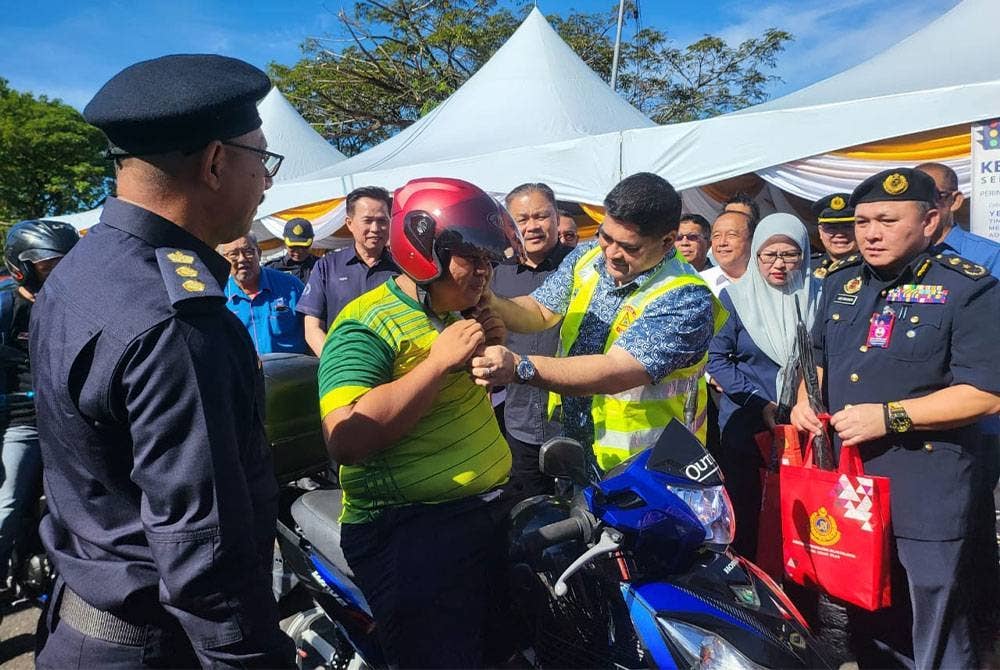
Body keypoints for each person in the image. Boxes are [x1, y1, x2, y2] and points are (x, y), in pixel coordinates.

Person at [30, 54, 294, 668]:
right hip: (154, 647)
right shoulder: (178, 321)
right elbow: (204, 551)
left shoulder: (78, 274)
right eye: (263, 159)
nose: (267, 181)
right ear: (216, 162)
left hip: (82, 628)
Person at [790, 167, 1000, 669]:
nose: (870, 233)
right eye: (862, 222)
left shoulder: (969, 289)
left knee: (936, 620)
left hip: (926, 484)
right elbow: (817, 357)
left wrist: (891, 417)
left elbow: (986, 395)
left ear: (930, 220)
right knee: (867, 613)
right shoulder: (840, 283)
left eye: (886, 220)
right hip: (854, 481)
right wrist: (804, 399)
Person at [318, 177, 520, 667]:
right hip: (410, 530)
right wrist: (435, 364)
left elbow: (455, 405)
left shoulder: (456, 313)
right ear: (423, 247)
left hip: (482, 515)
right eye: (472, 258)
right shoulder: (365, 325)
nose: (484, 274)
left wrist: (485, 361)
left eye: (490, 261)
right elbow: (345, 437)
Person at [471, 172, 725, 469]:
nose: (612, 253)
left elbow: (616, 370)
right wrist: (487, 299)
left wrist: (519, 367)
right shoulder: (587, 257)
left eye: (629, 247)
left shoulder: (685, 297)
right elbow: (540, 311)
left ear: (667, 241)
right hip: (580, 451)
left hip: (649, 466)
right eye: (605, 236)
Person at [706, 213, 815, 559]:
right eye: (769, 255)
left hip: (803, 425)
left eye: (790, 254)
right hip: (747, 423)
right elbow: (717, 360)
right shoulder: (735, 299)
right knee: (747, 513)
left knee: (800, 516)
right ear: (755, 256)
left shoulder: (819, 297)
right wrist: (761, 404)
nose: (779, 264)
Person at [0, 220, 78, 600]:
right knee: (7, 505)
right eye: (49, 266)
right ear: (21, 267)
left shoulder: (79, 302)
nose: (60, 274)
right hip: (22, 423)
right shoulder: (6, 307)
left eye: (67, 263)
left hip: (72, 421)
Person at [494, 182, 572, 505]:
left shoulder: (580, 268)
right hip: (518, 422)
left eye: (541, 216)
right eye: (522, 218)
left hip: (572, 423)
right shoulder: (496, 276)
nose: (532, 226)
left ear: (556, 218)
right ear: (509, 225)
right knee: (527, 514)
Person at [297, 186, 399, 355]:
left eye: (382, 221)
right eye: (368, 220)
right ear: (349, 224)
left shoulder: (402, 268)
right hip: (342, 368)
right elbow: (312, 328)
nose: (375, 228)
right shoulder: (327, 267)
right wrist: (335, 365)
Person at [220, 233, 306, 354]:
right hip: (246, 372)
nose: (242, 259)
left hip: (292, 370)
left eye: (248, 251)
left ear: (259, 254)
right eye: (233, 254)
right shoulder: (219, 298)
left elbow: (313, 328)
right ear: (223, 260)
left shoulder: (291, 287)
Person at [917, 162, 1000, 277]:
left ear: (955, 201)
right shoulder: (898, 251)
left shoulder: (991, 255)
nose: (922, 205)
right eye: (913, 198)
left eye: (933, 195)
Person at [701, 210, 753, 296]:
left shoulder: (769, 279)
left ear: (752, 240)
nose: (722, 243)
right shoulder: (699, 284)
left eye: (731, 235)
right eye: (716, 236)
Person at [810, 193, 858, 279]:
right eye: (832, 228)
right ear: (820, 232)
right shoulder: (809, 267)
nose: (840, 234)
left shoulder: (871, 268)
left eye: (847, 226)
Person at [263, 217, 317, 283]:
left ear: (312, 241)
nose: (299, 251)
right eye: (293, 247)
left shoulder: (322, 266)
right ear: (285, 242)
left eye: (304, 247)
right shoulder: (272, 269)